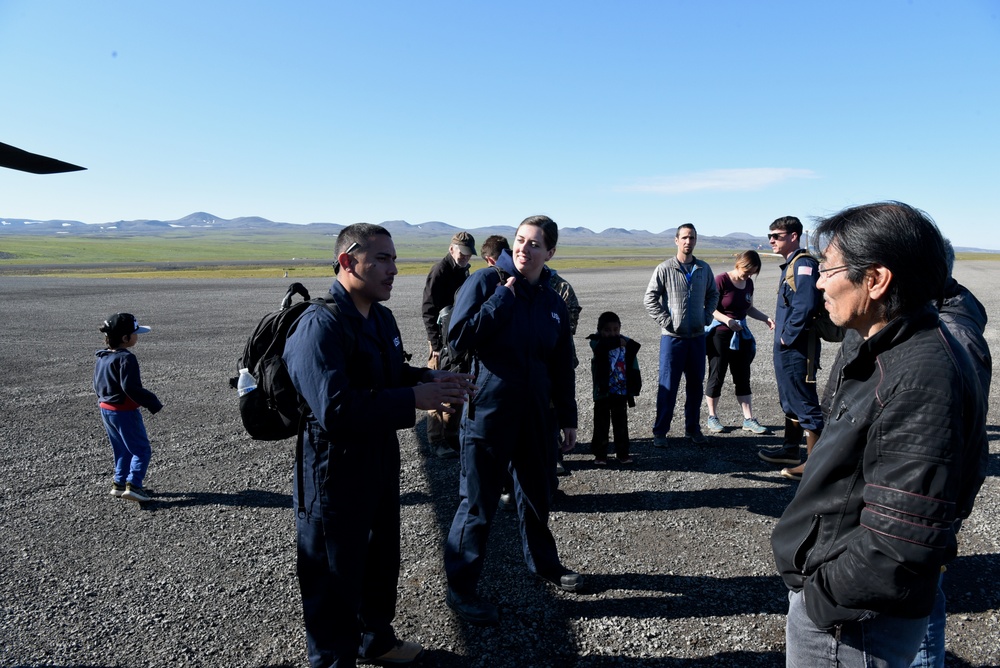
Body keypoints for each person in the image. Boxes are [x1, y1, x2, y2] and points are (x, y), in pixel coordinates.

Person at [770, 202, 989, 668]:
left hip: (850, 626)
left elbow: (903, 538)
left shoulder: (919, 373)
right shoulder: (888, 346)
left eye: (828, 269)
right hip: (843, 608)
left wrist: (822, 601)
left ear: (876, 280)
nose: (821, 282)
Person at [283, 223, 474, 668]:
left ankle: (376, 640)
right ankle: (332, 660)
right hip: (333, 470)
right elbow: (335, 409)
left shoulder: (381, 317)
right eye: (382, 259)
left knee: (380, 556)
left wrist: (427, 379)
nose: (394, 269)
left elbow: (387, 375)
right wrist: (412, 398)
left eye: (394, 258)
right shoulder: (319, 324)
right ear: (348, 262)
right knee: (334, 573)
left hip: (378, 459)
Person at [443, 215, 581, 627]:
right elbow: (459, 336)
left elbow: (562, 365)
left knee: (537, 494)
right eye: (520, 241)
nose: (524, 249)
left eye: (535, 244)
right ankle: (462, 587)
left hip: (536, 413)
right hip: (489, 410)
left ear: (550, 252)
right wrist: (501, 300)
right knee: (478, 502)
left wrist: (568, 416)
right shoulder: (486, 284)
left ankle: (544, 565)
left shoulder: (553, 302)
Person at [757, 216, 824, 481]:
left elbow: (806, 305)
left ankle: (814, 465)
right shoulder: (792, 265)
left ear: (794, 236)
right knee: (790, 399)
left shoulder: (804, 264)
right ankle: (790, 452)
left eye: (777, 235)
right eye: (770, 236)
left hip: (797, 348)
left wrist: (788, 336)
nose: (771, 240)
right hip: (787, 346)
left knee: (804, 401)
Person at [643, 223, 719, 447]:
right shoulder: (665, 268)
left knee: (695, 387)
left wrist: (706, 318)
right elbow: (650, 298)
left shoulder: (703, 269)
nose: (688, 242)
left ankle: (693, 430)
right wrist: (667, 321)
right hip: (672, 339)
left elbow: (713, 294)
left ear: (696, 241)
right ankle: (660, 432)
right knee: (668, 386)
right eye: (684, 237)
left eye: (692, 238)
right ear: (676, 240)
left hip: (696, 337)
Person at [94, 312, 163, 504]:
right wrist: (152, 402)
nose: (137, 337)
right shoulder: (126, 359)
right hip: (124, 411)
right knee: (141, 449)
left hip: (106, 409)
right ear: (125, 338)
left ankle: (119, 483)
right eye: (135, 334)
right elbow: (130, 387)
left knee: (122, 449)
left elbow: (96, 383)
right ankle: (134, 486)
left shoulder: (102, 356)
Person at [704, 250, 775, 435]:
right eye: (747, 270)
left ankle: (748, 419)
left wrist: (766, 318)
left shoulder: (749, 283)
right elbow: (709, 307)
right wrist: (727, 320)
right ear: (739, 264)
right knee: (717, 373)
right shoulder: (721, 280)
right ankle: (712, 417)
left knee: (743, 375)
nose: (749, 275)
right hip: (719, 334)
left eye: (752, 272)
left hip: (740, 334)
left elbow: (749, 308)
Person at [422, 230, 477, 458]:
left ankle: (451, 435)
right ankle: (436, 440)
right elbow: (427, 309)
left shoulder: (464, 272)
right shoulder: (440, 271)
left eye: (468, 254)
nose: (465, 257)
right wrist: (435, 345)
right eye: (462, 252)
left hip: (456, 338)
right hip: (440, 341)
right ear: (452, 248)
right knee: (437, 386)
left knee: (457, 385)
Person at [586, 311, 641, 465]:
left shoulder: (625, 343)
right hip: (603, 392)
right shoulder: (596, 342)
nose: (612, 333)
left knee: (621, 425)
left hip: (620, 391)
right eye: (607, 330)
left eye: (616, 329)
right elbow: (600, 348)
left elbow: (634, 355)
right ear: (600, 331)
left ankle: (622, 453)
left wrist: (634, 386)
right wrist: (620, 342)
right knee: (601, 425)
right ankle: (600, 455)